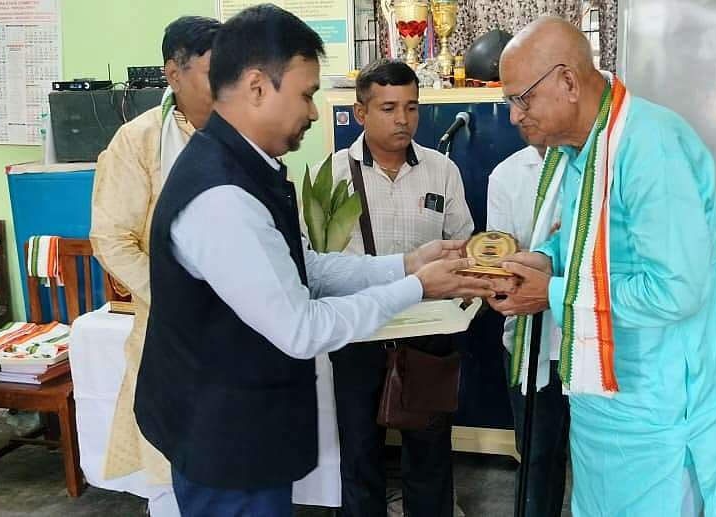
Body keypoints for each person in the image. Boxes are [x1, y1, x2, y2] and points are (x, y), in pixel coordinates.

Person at [132, 5, 494, 515]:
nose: (315, 112)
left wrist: (407, 265)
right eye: (306, 94)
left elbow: (309, 268)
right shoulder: (222, 196)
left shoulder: (249, 169)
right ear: (257, 87)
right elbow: (301, 327)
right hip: (226, 443)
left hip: (244, 429)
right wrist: (417, 287)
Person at [491, 16, 716, 515]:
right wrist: (540, 259)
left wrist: (550, 293)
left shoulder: (648, 147)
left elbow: (675, 290)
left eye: (521, 99)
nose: (514, 116)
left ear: (568, 82)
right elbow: (583, 243)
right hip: (601, 398)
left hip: (661, 411)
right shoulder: (580, 151)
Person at [322, 58, 474, 517]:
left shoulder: (441, 170)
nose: (403, 119)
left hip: (428, 333)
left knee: (430, 451)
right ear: (361, 112)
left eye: (411, 107)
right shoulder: (333, 174)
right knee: (359, 452)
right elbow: (317, 262)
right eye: (388, 108)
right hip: (358, 332)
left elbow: (462, 242)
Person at [89, 15, 220, 512]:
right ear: (173, 74)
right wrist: (177, 295)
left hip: (240, 332)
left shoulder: (245, 132)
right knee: (173, 473)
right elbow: (111, 239)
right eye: (213, 72)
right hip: (172, 332)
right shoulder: (139, 141)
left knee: (234, 467)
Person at [486, 137, 570, 516]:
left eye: (529, 107)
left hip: (588, 342)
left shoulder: (598, 167)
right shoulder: (506, 175)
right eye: (515, 108)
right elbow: (498, 264)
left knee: (594, 455)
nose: (520, 117)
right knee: (537, 456)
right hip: (529, 345)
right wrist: (548, 251)